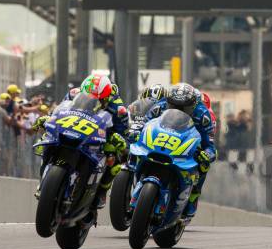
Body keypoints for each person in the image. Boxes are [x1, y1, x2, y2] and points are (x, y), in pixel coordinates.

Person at [32, 73, 127, 208]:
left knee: (114, 160)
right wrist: (48, 118)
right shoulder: (73, 93)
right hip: (74, 127)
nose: (91, 100)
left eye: (98, 99)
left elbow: (124, 132)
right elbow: (61, 110)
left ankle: (101, 192)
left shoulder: (118, 107)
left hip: (99, 137)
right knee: (47, 141)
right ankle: (44, 181)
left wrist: (119, 139)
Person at [139, 83, 217, 218]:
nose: (178, 110)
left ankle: (193, 196)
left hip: (187, 145)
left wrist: (207, 155)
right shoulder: (162, 104)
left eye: (184, 108)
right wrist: (135, 131)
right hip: (162, 138)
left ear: (193, 106)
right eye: (174, 106)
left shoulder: (203, 115)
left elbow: (210, 146)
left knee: (204, 165)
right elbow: (144, 123)